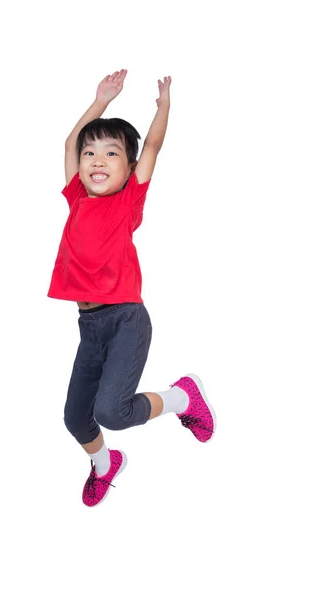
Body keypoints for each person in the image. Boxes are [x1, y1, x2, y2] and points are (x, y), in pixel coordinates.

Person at [47, 69, 216, 507]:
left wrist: (163, 108)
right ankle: (106, 465)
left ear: (128, 170)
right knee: (75, 418)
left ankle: (183, 396)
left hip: (125, 320)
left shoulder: (127, 203)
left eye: (111, 154)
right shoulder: (75, 198)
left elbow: (154, 146)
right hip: (89, 326)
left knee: (111, 413)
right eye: (91, 153)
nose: (96, 160)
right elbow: (68, 143)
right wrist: (100, 100)